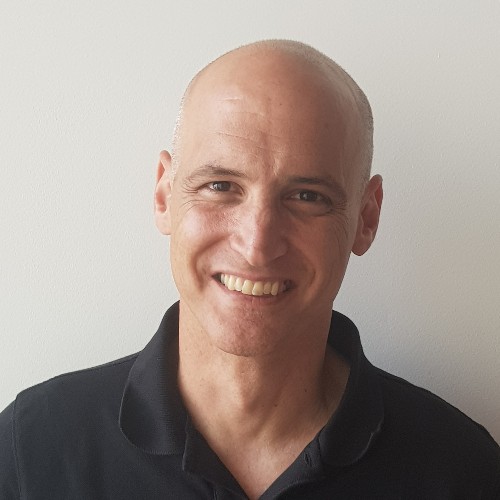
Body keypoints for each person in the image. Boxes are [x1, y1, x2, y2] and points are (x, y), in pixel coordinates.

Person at [0, 40, 498, 500]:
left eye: (307, 196)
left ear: (366, 219)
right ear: (164, 195)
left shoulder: (462, 472)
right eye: (220, 186)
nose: (257, 245)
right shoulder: (34, 450)